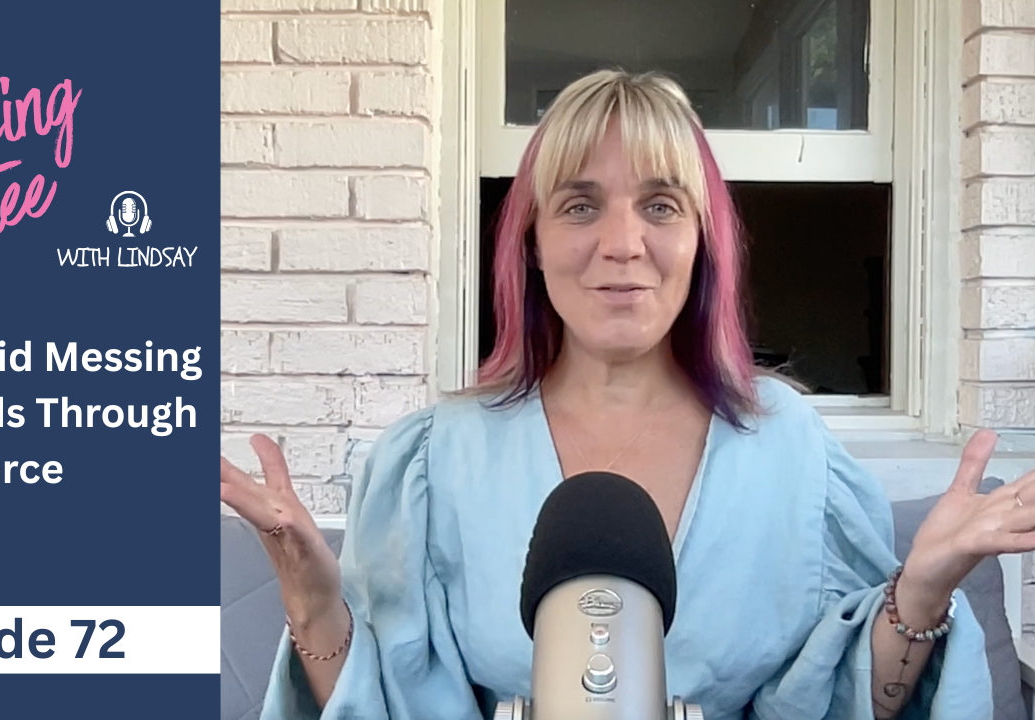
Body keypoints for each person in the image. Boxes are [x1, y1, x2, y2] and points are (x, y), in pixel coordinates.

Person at [220, 69, 1028, 720]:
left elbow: (839, 703)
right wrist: (313, 604)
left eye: (660, 206)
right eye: (580, 206)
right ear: (532, 242)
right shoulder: (435, 459)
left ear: (702, 238)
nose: (622, 243)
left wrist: (925, 589)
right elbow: (387, 703)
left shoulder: (792, 448)